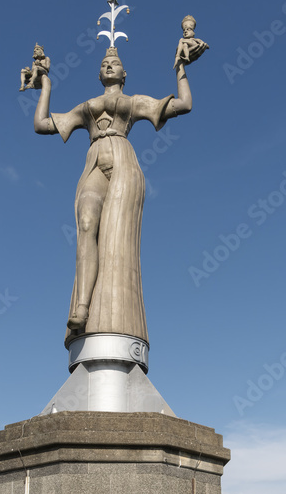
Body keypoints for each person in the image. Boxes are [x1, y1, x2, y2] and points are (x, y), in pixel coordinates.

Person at [33, 46, 195, 344]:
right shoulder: (87, 107)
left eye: (115, 63)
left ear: (124, 73)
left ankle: (111, 310)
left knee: (115, 234)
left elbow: (184, 104)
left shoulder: (134, 102)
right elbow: (42, 125)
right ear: (98, 74)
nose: (109, 65)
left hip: (122, 160)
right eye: (105, 63)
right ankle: (82, 308)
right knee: (85, 225)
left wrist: (181, 68)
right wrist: (46, 84)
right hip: (94, 161)